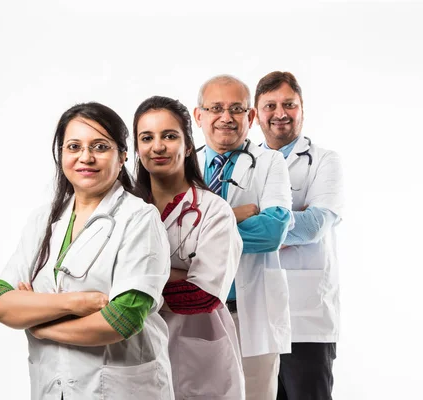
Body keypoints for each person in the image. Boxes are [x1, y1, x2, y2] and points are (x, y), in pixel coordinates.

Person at [0, 102, 175, 400]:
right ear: (61, 154)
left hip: (121, 390)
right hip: (52, 386)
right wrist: (76, 302)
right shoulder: (43, 220)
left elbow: (121, 320)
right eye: (74, 146)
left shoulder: (139, 219)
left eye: (100, 146)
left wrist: (38, 323)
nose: (85, 157)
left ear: (123, 155)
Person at [133, 95, 245, 400]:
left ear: (188, 144)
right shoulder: (122, 209)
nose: (157, 146)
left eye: (169, 136)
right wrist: (176, 274)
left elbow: (202, 295)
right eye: (147, 138)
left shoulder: (214, 211)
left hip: (198, 364)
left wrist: (132, 288)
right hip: (134, 360)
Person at [193, 75, 293, 400]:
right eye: (216, 108)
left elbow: (274, 230)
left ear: (250, 117)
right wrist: (234, 216)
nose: (226, 117)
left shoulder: (270, 162)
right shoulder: (182, 166)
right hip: (193, 314)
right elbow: (163, 240)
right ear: (199, 116)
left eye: (236, 109)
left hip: (249, 314)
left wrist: (198, 232)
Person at [254, 71, 344, 400]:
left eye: (289, 104)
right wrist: (291, 215)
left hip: (306, 318)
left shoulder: (324, 161)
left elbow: (316, 225)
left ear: (302, 108)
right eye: (270, 105)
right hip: (256, 315)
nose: (280, 113)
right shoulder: (246, 163)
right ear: (256, 113)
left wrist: (260, 216)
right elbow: (223, 227)